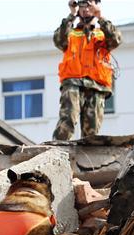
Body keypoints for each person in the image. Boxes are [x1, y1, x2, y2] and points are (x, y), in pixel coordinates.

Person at [52, 0, 121, 140]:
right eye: (82, 5)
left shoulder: (102, 32)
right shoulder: (71, 32)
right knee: (67, 119)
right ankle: (57, 149)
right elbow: (59, 41)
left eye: (88, 4)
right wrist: (71, 15)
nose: (85, 9)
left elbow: (115, 39)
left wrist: (99, 15)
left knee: (92, 131)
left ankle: (89, 160)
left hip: (97, 86)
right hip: (73, 82)